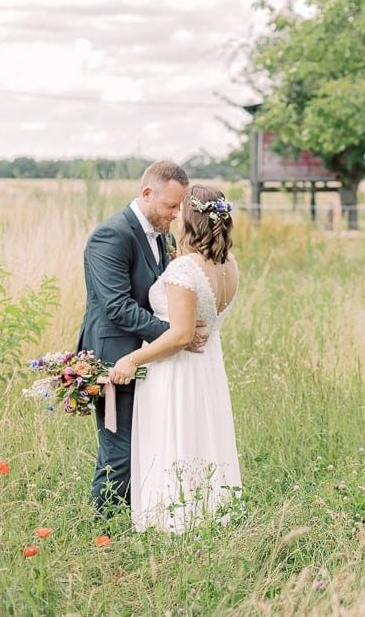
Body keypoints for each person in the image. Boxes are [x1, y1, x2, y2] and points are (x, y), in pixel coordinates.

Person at [108, 183, 242, 533]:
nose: (175, 214)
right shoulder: (229, 265)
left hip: (177, 368)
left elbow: (181, 335)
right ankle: (205, 516)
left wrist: (132, 359)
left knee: (176, 438)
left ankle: (171, 523)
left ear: (191, 217)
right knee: (200, 436)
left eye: (181, 209)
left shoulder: (185, 269)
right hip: (207, 365)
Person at [77, 160, 207, 512]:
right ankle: (104, 534)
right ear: (147, 194)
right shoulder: (111, 235)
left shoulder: (163, 235)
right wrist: (176, 334)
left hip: (150, 358)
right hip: (114, 357)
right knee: (119, 455)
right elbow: (117, 306)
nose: (177, 214)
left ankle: (137, 524)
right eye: (170, 206)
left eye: (180, 206)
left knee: (146, 448)